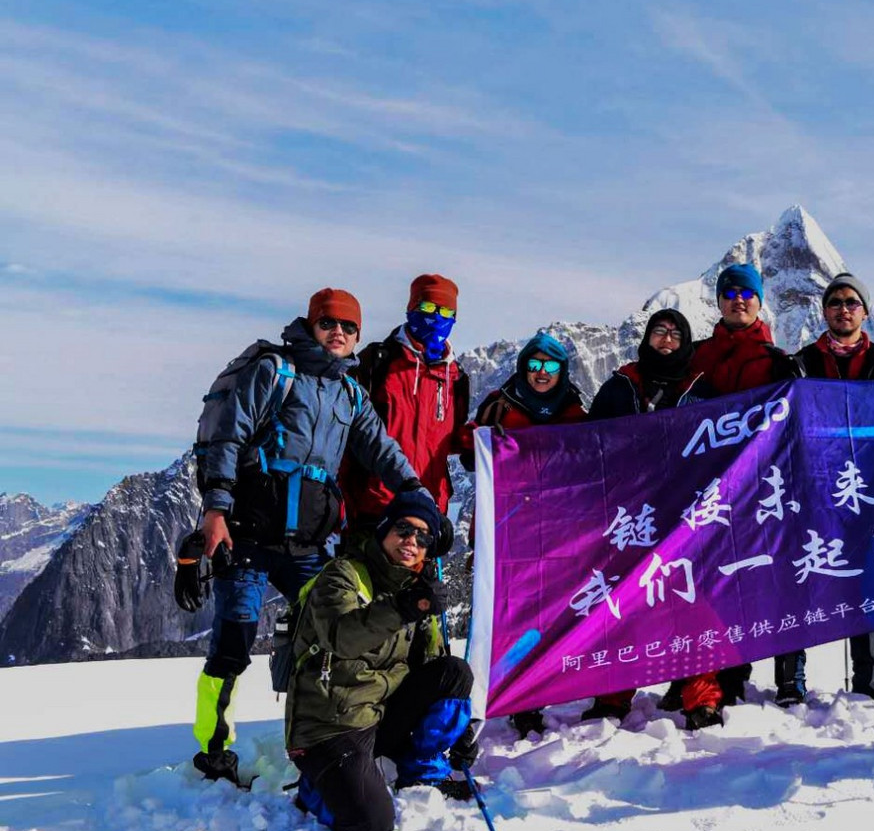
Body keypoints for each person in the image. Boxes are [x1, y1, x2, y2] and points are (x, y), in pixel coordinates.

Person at [189, 288, 433, 785]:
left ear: (357, 335)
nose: (337, 333)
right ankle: (214, 753)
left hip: (311, 545)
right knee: (232, 645)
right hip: (249, 538)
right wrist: (215, 509)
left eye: (347, 327)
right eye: (328, 324)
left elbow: (380, 449)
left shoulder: (349, 394)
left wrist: (416, 493)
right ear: (311, 325)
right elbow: (229, 437)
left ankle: (317, 741)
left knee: (324, 642)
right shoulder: (275, 373)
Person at [286, 492, 482, 831]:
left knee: (454, 672)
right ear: (384, 530)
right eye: (404, 529)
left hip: (381, 714)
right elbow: (340, 636)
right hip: (330, 724)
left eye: (423, 537)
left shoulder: (414, 588)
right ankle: (316, 787)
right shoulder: (342, 575)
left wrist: (456, 723)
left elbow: (431, 666)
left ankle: (422, 774)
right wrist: (406, 607)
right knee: (371, 825)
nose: (412, 541)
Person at [580, 308, 713, 722]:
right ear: (647, 337)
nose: (667, 338)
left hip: (682, 514)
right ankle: (612, 697)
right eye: (660, 331)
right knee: (622, 605)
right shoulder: (620, 386)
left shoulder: (701, 388)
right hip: (628, 516)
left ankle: (702, 699)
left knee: (692, 606)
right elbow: (587, 444)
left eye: (676, 333)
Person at [678, 262, 795, 729]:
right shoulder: (697, 356)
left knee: (741, 590)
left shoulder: (776, 359)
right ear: (719, 301)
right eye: (729, 292)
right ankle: (701, 688)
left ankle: (730, 674)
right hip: (698, 496)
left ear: (759, 300)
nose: (738, 299)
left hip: (753, 496)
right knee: (698, 591)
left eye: (747, 292)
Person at [779, 273, 874, 715]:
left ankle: (869, 684)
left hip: (861, 490)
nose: (843, 308)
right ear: (824, 310)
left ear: (865, 312)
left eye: (852, 302)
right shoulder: (798, 363)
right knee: (798, 577)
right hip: (808, 489)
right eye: (835, 301)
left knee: (865, 581)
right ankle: (789, 684)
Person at [466, 332, 588, 736]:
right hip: (509, 528)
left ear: (562, 370)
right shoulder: (500, 404)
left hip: (557, 531)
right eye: (534, 365)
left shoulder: (574, 410)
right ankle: (521, 699)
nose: (541, 373)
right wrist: (481, 440)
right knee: (515, 618)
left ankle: (540, 690)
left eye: (550, 366)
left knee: (551, 614)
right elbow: (470, 455)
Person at [341, 274, 470, 529]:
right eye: (428, 307)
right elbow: (348, 431)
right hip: (373, 507)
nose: (436, 316)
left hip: (428, 508)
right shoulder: (377, 362)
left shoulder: (456, 378)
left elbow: (449, 439)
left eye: (446, 311)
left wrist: (477, 440)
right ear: (411, 309)